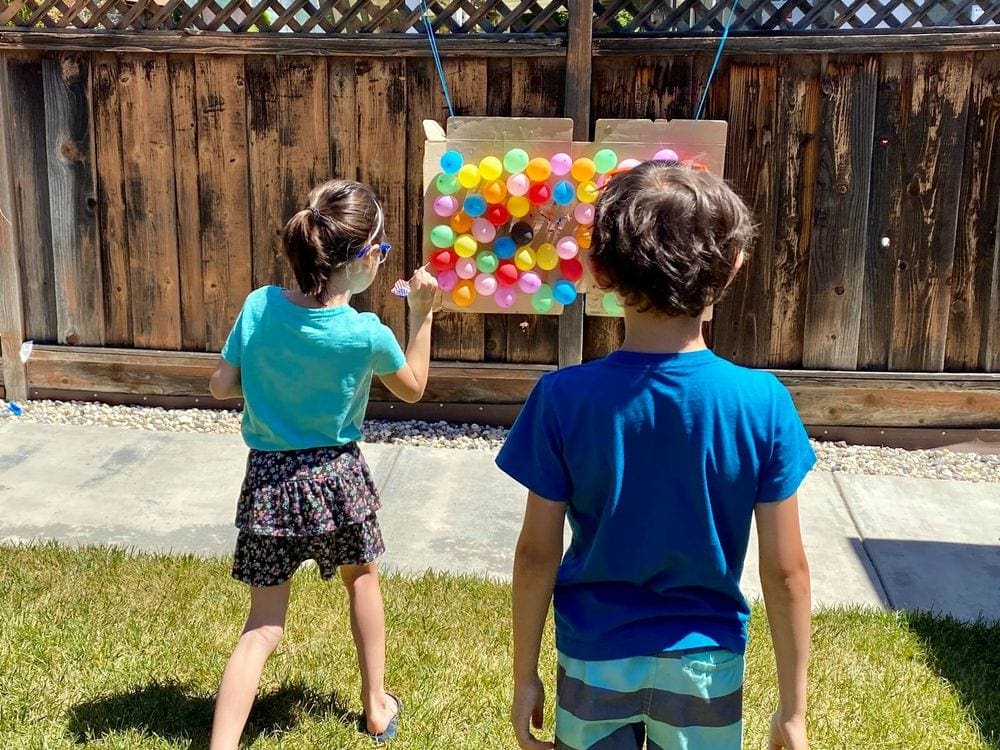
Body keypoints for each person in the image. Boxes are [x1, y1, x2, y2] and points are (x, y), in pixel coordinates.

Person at [497, 162, 815, 750]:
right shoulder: (763, 403)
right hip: (705, 665)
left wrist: (524, 676)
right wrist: (792, 711)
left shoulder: (562, 399)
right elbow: (787, 572)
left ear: (597, 271)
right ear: (733, 268)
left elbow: (535, 553)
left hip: (594, 658)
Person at [207, 179, 438, 748]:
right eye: (380, 253)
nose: (381, 262)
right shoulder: (366, 333)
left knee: (262, 627)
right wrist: (425, 315)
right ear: (362, 261)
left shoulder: (259, 307)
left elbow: (220, 385)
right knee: (361, 580)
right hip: (338, 479)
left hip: (268, 482)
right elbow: (412, 390)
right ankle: (377, 707)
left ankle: (221, 745)